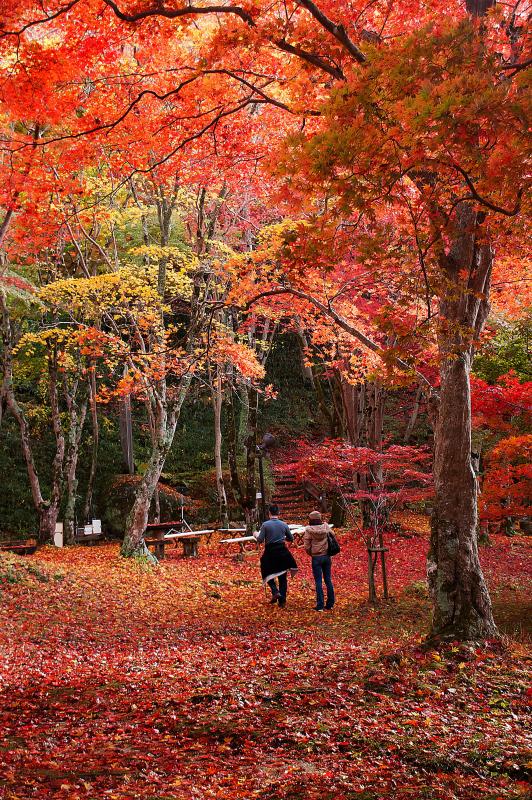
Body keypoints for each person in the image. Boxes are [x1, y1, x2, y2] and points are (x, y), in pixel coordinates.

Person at [255, 504, 298, 607]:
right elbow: (291, 538)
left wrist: (255, 534)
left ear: (269, 513)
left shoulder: (265, 525)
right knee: (282, 576)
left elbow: (260, 539)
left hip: (270, 552)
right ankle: (282, 601)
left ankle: (275, 591)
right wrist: (283, 538)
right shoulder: (284, 524)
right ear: (278, 513)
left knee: (266, 572)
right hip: (282, 551)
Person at [304, 510, 335, 611]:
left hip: (316, 558)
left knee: (318, 581)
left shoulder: (309, 530)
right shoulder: (326, 526)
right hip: (326, 556)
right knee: (328, 579)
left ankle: (320, 605)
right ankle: (330, 603)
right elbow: (333, 535)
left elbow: (307, 546)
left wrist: (312, 553)